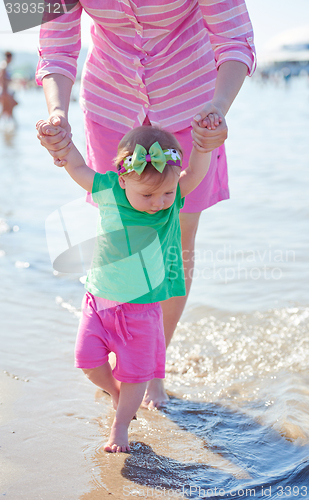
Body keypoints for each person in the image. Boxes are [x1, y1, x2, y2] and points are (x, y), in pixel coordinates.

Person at [36, 0, 256, 408]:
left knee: (176, 241)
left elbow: (235, 39)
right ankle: (122, 352)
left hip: (192, 107)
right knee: (120, 238)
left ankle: (153, 364)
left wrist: (219, 108)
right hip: (110, 103)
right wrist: (56, 111)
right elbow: (56, 46)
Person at [36, 119, 215, 452]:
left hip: (143, 309)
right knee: (87, 361)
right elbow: (76, 165)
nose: (159, 202)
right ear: (123, 180)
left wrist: (204, 146)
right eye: (148, 194)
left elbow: (196, 174)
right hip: (99, 299)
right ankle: (118, 396)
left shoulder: (172, 198)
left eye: (166, 192)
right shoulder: (108, 189)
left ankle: (120, 428)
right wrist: (58, 143)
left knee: (136, 373)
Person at [0, 51, 18, 119]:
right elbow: (1, 78)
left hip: (5, 90)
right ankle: (12, 125)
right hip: (4, 90)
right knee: (8, 107)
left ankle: (11, 125)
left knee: (7, 108)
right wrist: (4, 91)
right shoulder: (4, 65)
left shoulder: (5, 65)